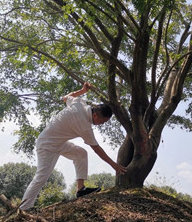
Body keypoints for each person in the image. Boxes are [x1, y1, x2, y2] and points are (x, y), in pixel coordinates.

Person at [20, 82, 127, 210]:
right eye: (102, 121)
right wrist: (114, 165)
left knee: (81, 153)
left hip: (59, 143)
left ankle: (81, 189)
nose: (101, 124)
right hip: (47, 145)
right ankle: (23, 208)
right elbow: (97, 149)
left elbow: (66, 97)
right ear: (95, 115)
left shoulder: (79, 103)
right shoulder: (85, 126)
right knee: (41, 177)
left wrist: (82, 91)